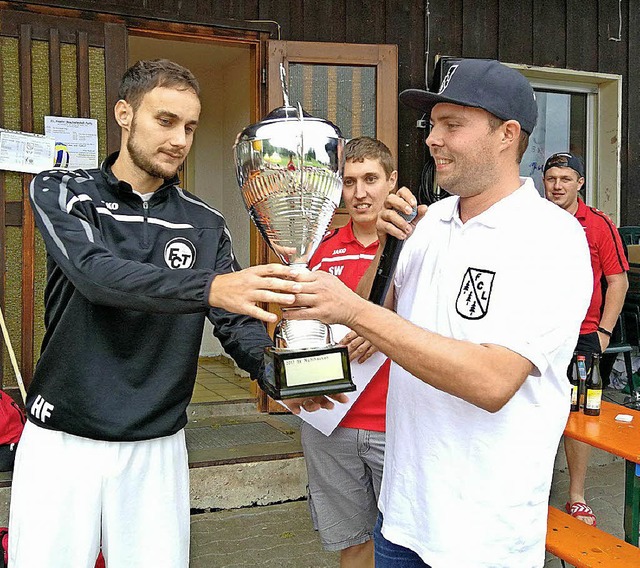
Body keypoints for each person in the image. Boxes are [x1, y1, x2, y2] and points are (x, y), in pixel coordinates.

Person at [8, 59, 341, 568]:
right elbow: (96, 276)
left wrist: (280, 373)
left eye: (190, 127)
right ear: (125, 113)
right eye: (165, 121)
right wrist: (211, 287)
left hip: (156, 444)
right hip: (62, 441)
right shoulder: (63, 190)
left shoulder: (204, 222)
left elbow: (235, 325)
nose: (180, 139)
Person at [284, 59, 593, 567]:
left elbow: (493, 382)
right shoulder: (430, 221)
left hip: (482, 534)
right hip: (401, 518)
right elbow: (367, 315)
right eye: (433, 124)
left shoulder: (551, 239)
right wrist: (384, 248)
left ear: (506, 135)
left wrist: (354, 312)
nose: (432, 138)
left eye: (453, 125)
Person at [299, 137, 395, 568]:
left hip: (399, 424)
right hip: (330, 421)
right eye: (349, 181)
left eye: (371, 179)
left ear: (392, 182)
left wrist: (381, 326)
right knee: (353, 544)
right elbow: (302, 327)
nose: (360, 193)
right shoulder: (319, 249)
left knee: (403, 543)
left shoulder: (420, 246)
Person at [543, 151, 629, 526]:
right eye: (551, 178)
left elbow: (618, 281)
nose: (558, 186)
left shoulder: (596, 224)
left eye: (566, 179)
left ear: (580, 183)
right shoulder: (530, 221)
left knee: (578, 417)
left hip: (583, 337)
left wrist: (605, 331)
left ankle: (576, 495)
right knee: (535, 409)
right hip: (537, 335)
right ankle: (534, 491)